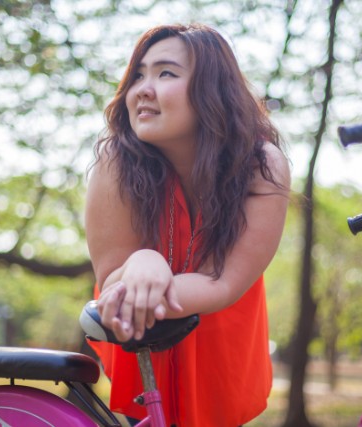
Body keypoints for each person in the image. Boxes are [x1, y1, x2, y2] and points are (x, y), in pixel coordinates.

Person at [85, 23, 290, 427]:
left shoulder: (261, 167)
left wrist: (151, 280)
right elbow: (113, 280)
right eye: (138, 75)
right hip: (139, 325)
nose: (143, 88)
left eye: (166, 73)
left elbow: (222, 281)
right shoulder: (114, 163)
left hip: (220, 331)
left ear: (211, 90)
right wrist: (145, 261)